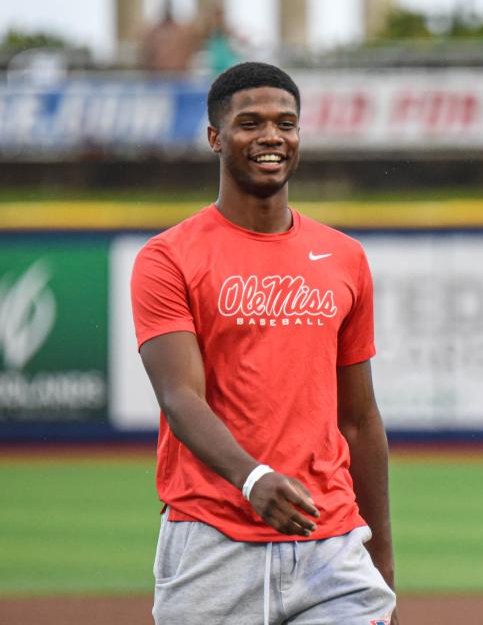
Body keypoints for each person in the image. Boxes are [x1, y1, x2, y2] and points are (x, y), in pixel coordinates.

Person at [131, 62, 397, 625]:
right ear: (214, 138)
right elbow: (180, 399)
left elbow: (360, 419)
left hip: (332, 546)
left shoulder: (344, 257)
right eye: (250, 123)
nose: (272, 136)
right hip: (212, 545)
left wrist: (382, 564)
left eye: (286, 123)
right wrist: (253, 479)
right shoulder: (168, 258)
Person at [141, 0, 199, 74]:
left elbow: (191, 49)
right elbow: (148, 55)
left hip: (178, 76)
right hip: (158, 76)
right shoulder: (154, 33)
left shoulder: (183, 32)